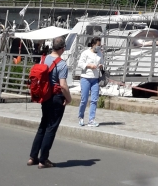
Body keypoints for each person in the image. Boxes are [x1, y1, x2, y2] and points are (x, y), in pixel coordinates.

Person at [28, 36, 71, 169]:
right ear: (63, 48)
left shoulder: (44, 59)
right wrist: (69, 98)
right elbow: (63, 85)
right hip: (56, 98)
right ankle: (43, 160)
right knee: (51, 128)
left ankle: (33, 157)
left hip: (44, 97)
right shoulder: (62, 64)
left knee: (43, 125)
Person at [77, 36, 103, 127]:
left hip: (95, 78)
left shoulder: (100, 54)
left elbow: (102, 63)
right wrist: (89, 65)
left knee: (94, 100)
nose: (99, 47)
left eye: (100, 45)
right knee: (84, 99)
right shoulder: (85, 53)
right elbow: (80, 64)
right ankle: (81, 117)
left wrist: (101, 66)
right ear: (93, 45)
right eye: (98, 45)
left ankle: (91, 119)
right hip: (85, 77)